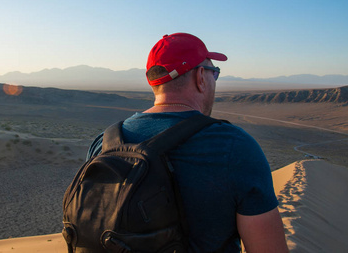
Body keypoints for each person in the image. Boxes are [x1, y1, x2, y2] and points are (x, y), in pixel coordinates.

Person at [87, 33, 289, 252]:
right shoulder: (235, 147)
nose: (214, 81)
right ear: (201, 77)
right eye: (215, 73)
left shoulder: (104, 143)